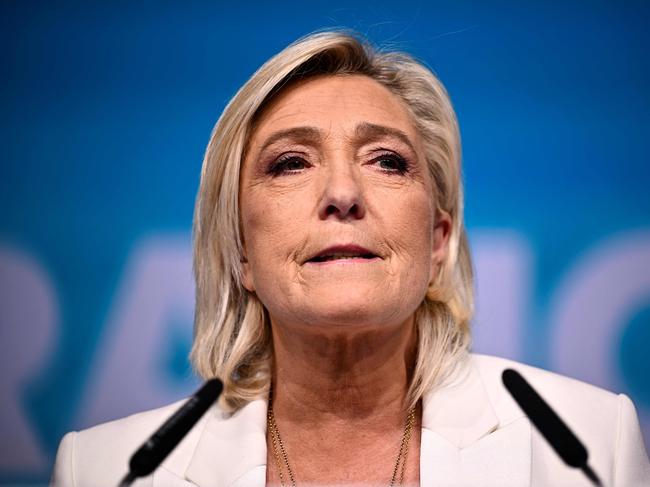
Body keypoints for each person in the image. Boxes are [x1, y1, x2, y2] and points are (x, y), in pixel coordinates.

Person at [51, 30, 650, 487]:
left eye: (386, 160)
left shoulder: (587, 445)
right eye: (291, 163)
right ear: (240, 253)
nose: (342, 194)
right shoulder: (108, 470)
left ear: (439, 242)